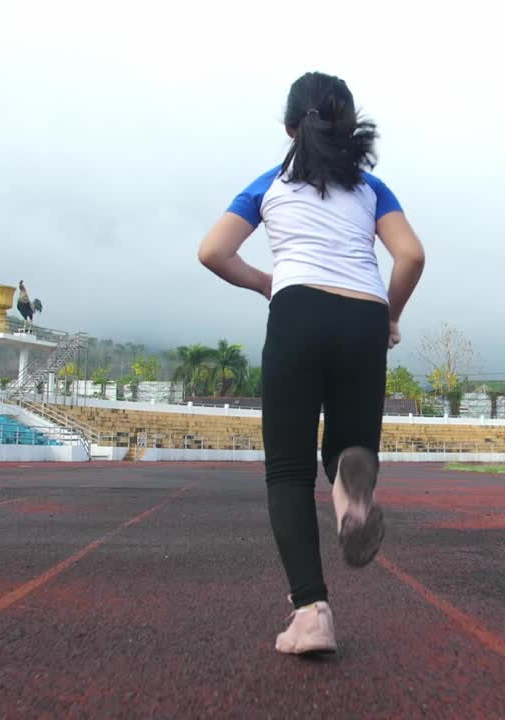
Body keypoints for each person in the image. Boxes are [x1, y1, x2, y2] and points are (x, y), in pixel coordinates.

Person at [198, 71, 425, 655]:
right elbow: (410, 254)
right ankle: (352, 498)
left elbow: (213, 251)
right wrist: (389, 317)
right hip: (363, 316)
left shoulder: (270, 184)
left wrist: (265, 285)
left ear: (289, 129)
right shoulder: (373, 188)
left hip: (299, 309)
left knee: (289, 472)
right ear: (349, 127)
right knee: (349, 449)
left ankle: (311, 614)